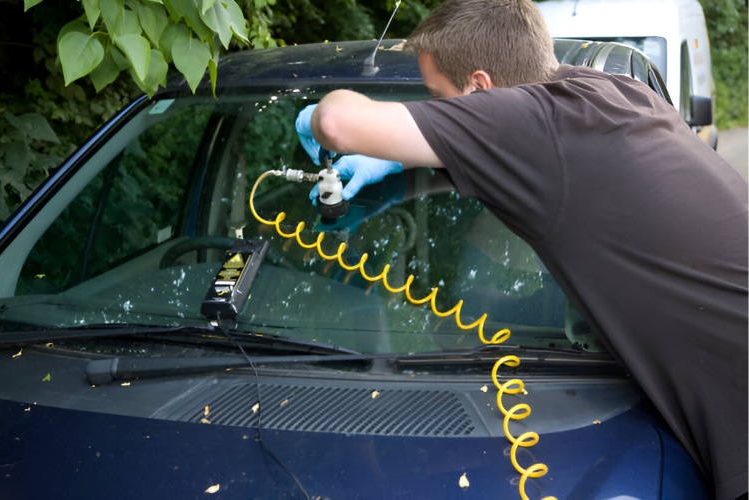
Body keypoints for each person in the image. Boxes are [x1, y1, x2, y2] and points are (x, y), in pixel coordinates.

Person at [294, 0, 748, 498]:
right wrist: (401, 168)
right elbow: (537, 156)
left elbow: (337, 122)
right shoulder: (610, 91)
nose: (438, 108)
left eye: (440, 98)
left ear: (481, 89)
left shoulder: (532, 125)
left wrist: (316, 112)